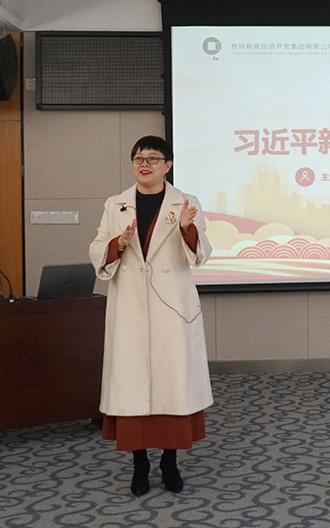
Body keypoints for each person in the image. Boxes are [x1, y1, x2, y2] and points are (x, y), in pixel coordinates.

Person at [89, 135, 214, 497]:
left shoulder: (186, 203)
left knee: (173, 385)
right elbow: (97, 247)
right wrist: (118, 244)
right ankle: (139, 464)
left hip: (171, 308)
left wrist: (187, 229)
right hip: (130, 307)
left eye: (153, 158)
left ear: (168, 165)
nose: (144, 164)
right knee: (132, 388)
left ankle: (170, 463)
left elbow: (202, 253)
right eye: (138, 158)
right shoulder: (115, 204)